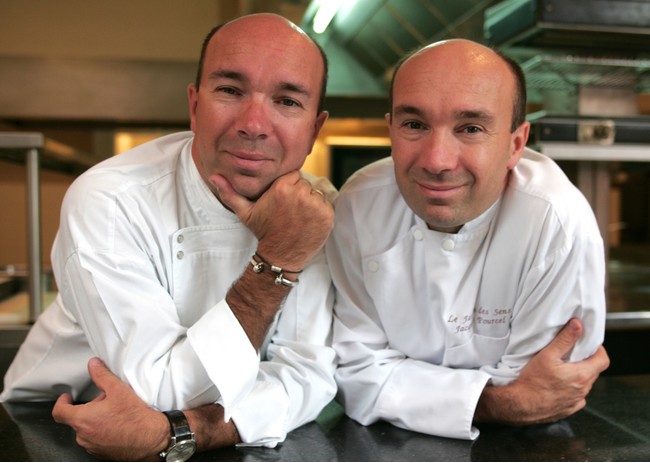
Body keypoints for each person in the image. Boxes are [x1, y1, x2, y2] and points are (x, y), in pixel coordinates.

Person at [1, 13, 337, 460]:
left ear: (314, 129)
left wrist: (182, 431)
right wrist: (276, 260)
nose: (254, 124)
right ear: (194, 106)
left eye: (288, 101)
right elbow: (160, 392)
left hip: (193, 437)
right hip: (57, 425)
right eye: (230, 90)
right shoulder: (111, 201)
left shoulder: (313, 210)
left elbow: (307, 376)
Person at [326, 38, 610, 440]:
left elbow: (550, 388)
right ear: (391, 130)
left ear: (515, 144)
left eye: (471, 128)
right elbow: (353, 371)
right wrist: (503, 402)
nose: (437, 161)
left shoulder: (556, 221)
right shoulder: (359, 205)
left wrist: (400, 383)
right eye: (414, 125)